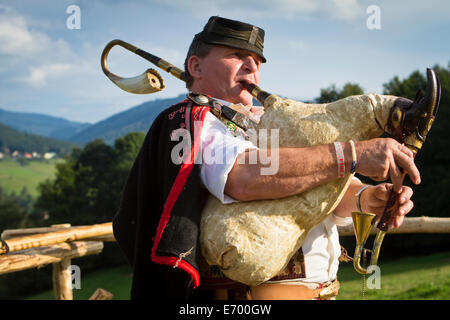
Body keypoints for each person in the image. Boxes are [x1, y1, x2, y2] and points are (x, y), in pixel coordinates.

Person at [112, 16, 417, 300]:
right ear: (196, 66)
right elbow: (244, 177)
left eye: (257, 61)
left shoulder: (263, 120)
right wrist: (351, 154)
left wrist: (367, 197)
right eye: (235, 55)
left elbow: (325, 187)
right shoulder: (191, 121)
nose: (250, 66)